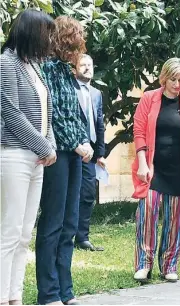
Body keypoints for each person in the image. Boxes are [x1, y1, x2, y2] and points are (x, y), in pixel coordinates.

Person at [35, 16, 93, 305]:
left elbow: (76, 114)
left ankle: (65, 291)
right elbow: (54, 114)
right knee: (53, 223)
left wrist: (85, 141)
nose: (77, 49)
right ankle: (48, 292)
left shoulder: (67, 73)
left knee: (70, 224)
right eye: (73, 43)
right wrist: (77, 143)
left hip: (74, 154)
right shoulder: (47, 69)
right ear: (62, 42)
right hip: (58, 154)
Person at [0, 9, 56, 306]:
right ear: (31, 32)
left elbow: (45, 112)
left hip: (35, 158)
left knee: (24, 235)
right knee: (9, 233)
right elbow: (11, 113)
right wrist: (43, 146)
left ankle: (14, 297)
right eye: (46, 32)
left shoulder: (33, 66)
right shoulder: (6, 63)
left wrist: (50, 144)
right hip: (13, 154)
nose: (49, 39)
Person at [131, 58, 180, 283]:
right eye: (173, 79)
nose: (177, 84)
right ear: (164, 77)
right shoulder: (149, 98)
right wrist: (142, 163)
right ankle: (144, 264)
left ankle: (170, 265)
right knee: (147, 214)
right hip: (154, 166)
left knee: (173, 219)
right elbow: (139, 131)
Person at [73, 54, 106, 251]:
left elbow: (99, 125)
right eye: (83, 65)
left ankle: (82, 237)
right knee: (70, 195)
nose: (87, 68)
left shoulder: (96, 93)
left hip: (91, 153)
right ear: (75, 68)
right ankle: (65, 235)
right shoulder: (70, 88)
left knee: (87, 194)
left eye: (90, 65)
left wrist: (100, 154)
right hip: (72, 148)